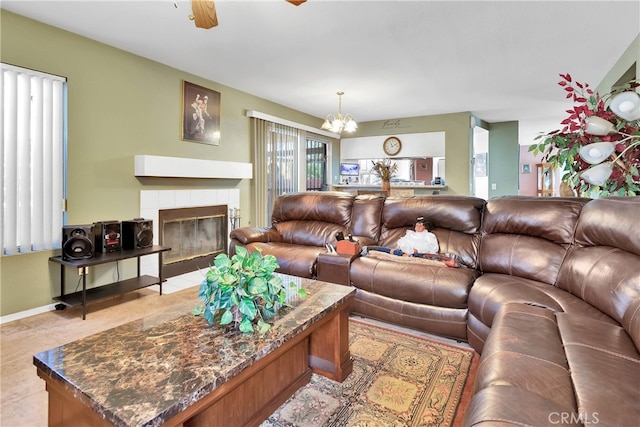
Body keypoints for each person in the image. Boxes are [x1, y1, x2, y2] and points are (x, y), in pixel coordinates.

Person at [362, 217, 439, 256]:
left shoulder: (429, 235)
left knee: (398, 253)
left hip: (416, 254)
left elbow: (433, 248)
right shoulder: (410, 234)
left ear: (426, 227)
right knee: (390, 250)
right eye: (417, 224)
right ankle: (367, 249)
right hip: (402, 252)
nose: (418, 226)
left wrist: (417, 250)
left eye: (421, 225)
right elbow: (401, 243)